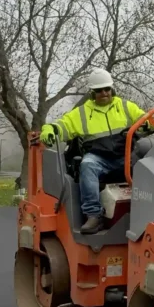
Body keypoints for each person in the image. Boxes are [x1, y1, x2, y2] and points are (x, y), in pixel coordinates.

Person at [40, 68, 147, 234]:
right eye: (99, 90)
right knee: (87, 165)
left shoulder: (126, 107)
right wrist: (49, 129)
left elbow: (145, 120)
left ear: (112, 89)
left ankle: (148, 210)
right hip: (99, 158)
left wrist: (152, 123)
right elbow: (63, 125)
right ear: (92, 93)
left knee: (148, 165)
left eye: (107, 89)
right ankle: (93, 215)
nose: (104, 93)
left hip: (125, 156)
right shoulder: (82, 113)